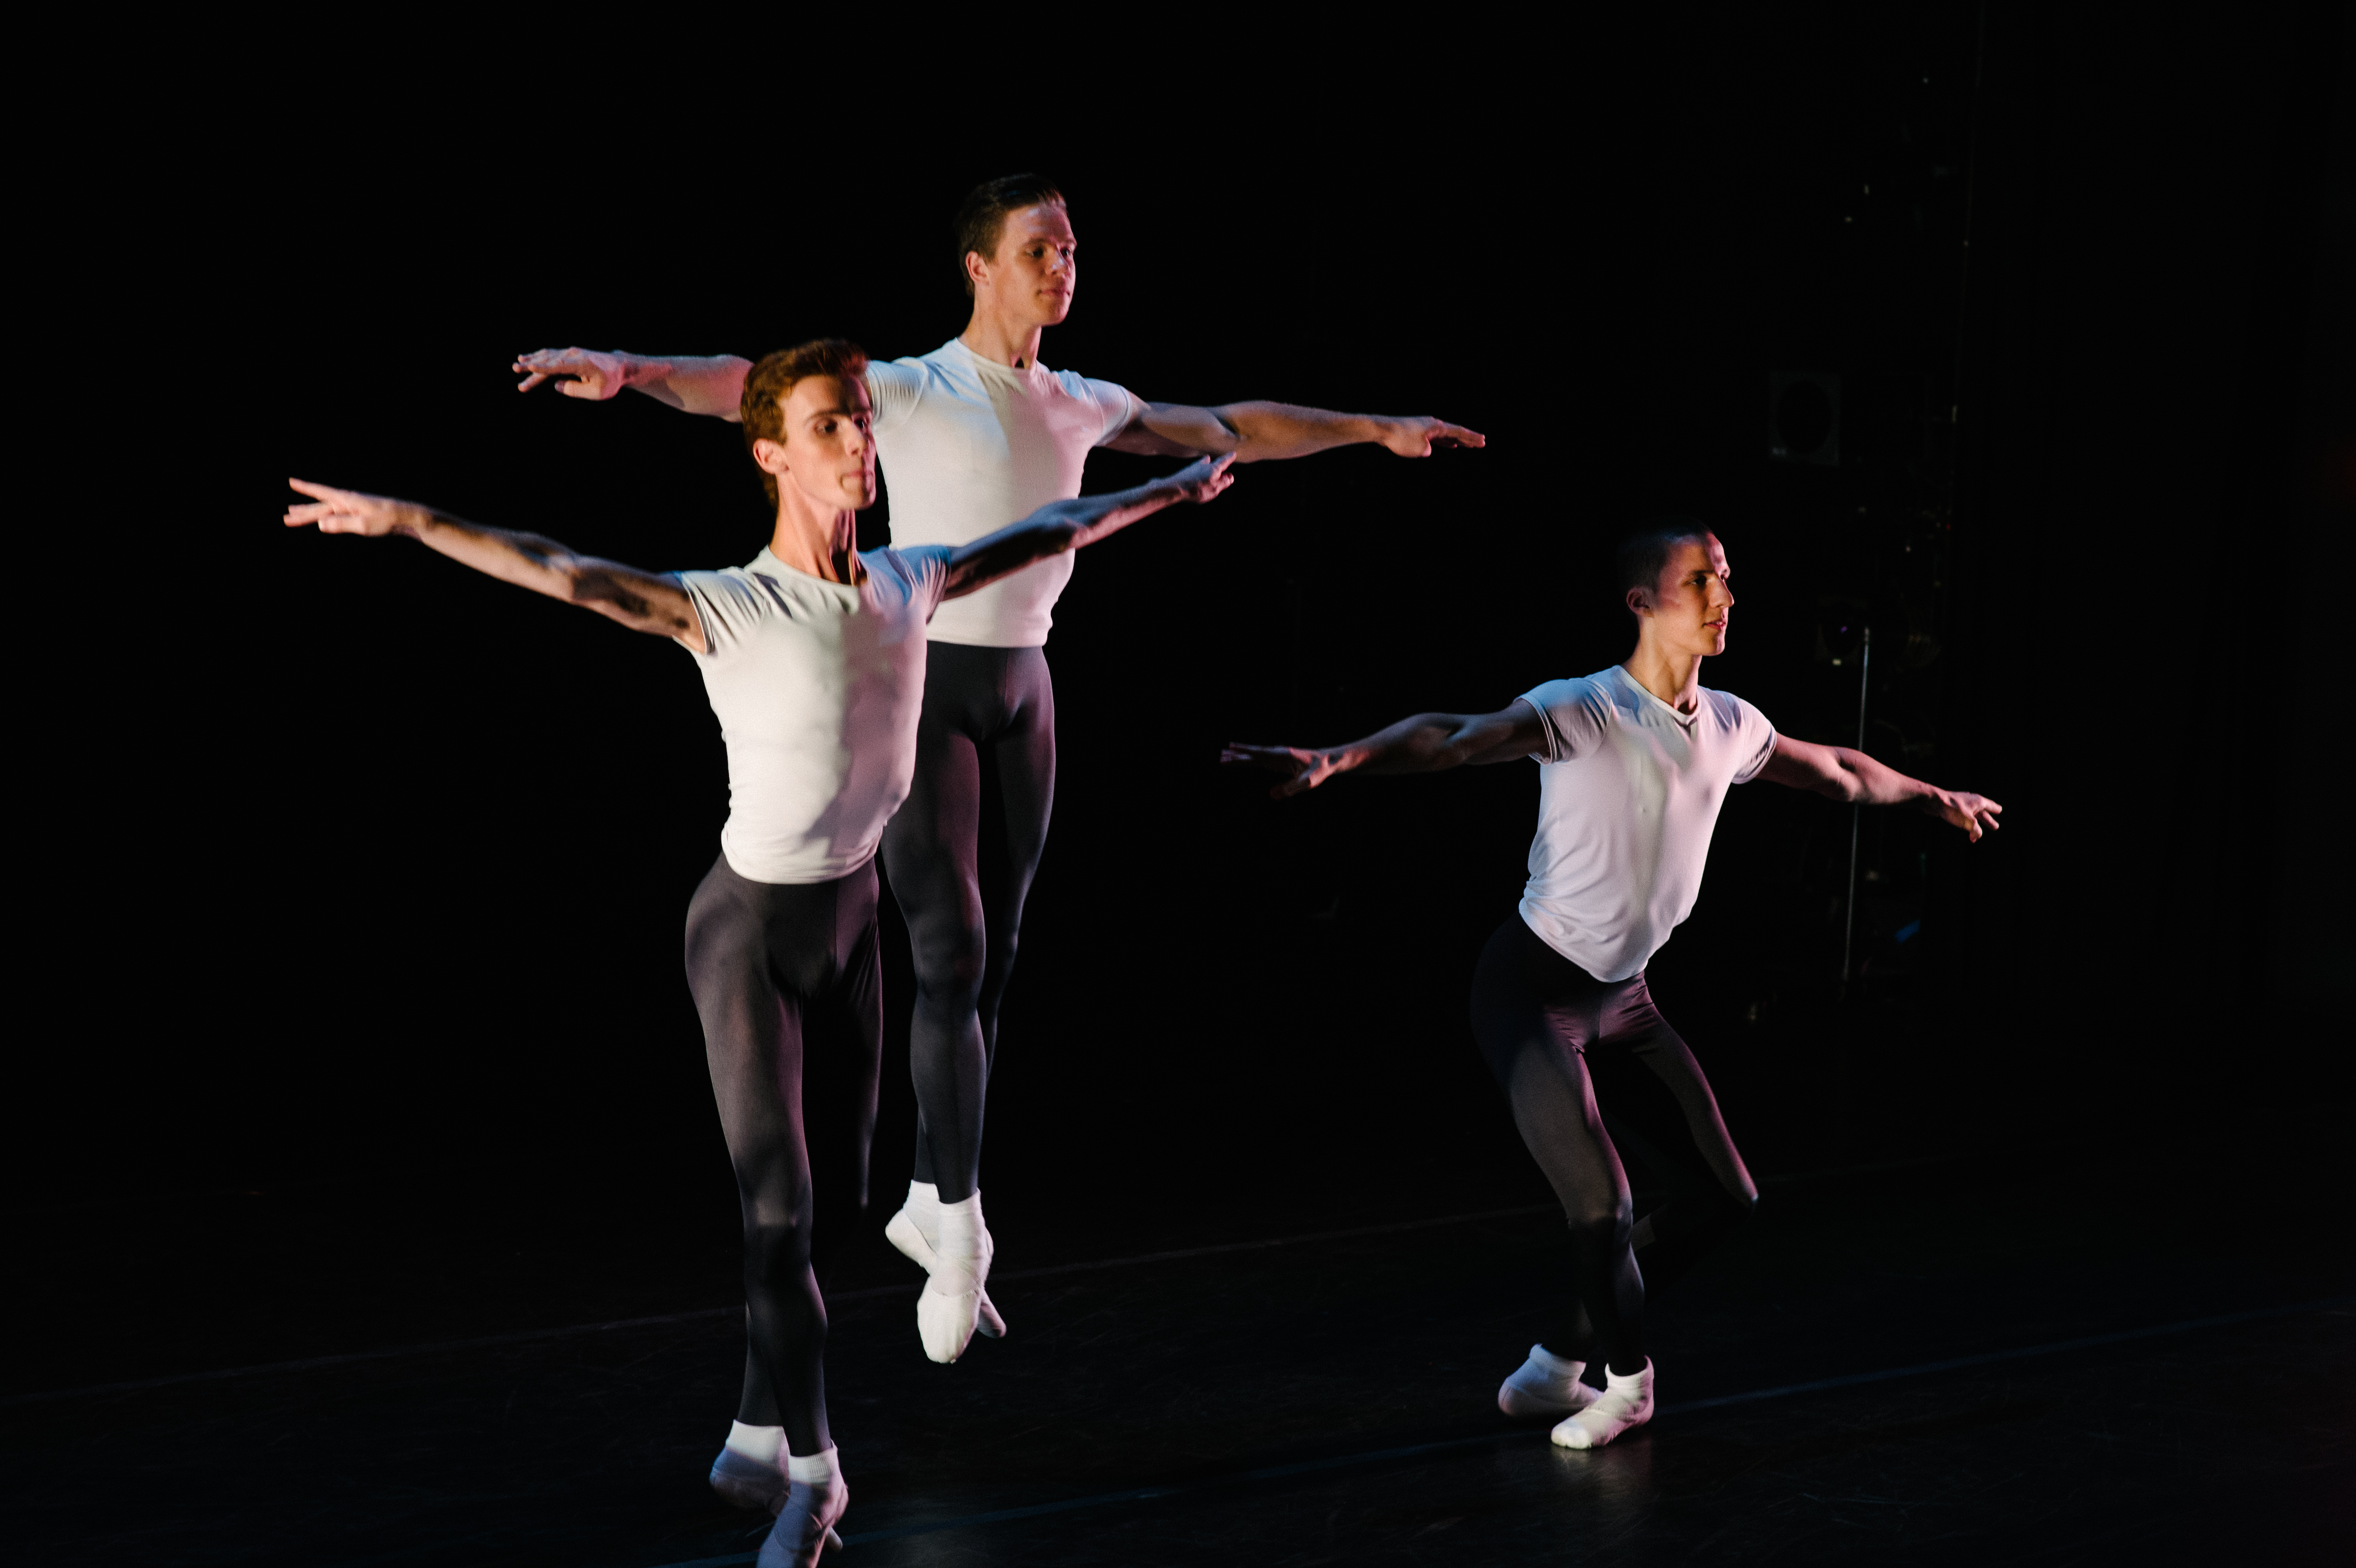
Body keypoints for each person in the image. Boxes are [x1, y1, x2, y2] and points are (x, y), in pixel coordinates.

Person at [284, 339, 1234, 1564]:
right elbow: (562, 570)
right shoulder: (726, 605)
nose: (860, 443)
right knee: (777, 1220)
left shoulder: (913, 580)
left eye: (863, 423)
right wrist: (411, 519)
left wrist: (1170, 487)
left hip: (851, 935)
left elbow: (1058, 527)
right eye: (831, 425)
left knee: (830, 1210)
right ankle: (815, 1476)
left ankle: (750, 1427)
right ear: (773, 453)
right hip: (745, 939)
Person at [511, 174, 1487, 1364]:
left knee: (996, 956)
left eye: (1071, 249)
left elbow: (1230, 422)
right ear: (978, 267)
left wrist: (1372, 429)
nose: (1062, 266)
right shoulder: (909, 388)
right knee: (951, 948)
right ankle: (961, 1229)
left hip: (1028, 685)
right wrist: (626, 368)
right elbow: (738, 383)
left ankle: (933, 1191)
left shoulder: (1083, 400)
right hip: (927, 679)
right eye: (1038, 249)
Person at [1222, 521, 2000, 1451]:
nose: (1723, 596)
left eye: (1726, 577)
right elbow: (1456, 738)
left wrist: (1933, 796)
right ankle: (1630, 1383)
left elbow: (1837, 770)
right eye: (1700, 580)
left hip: (1625, 1000)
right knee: (1602, 1205)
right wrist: (1338, 758)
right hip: (1530, 991)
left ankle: (1554, 1366)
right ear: (1642, 602)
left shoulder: (1732, 724)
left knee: (1723, 1196)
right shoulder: (1583, 708)